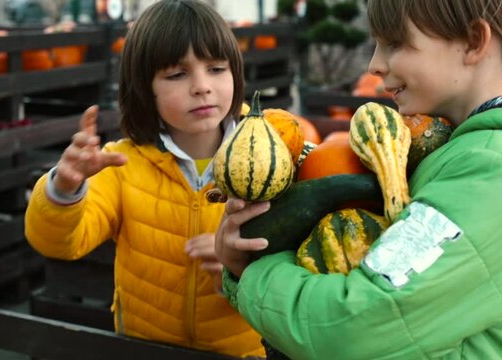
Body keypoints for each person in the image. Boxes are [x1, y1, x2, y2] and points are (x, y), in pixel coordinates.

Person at [215, 0, 502, 359]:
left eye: (395, 43)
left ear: (474, 42)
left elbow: (353, 326)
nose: (374, 65)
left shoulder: (487, 170)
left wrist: (252, 272)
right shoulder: (458, 152)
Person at [24, 0, 264, 357]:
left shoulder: (268, 157)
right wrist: (64, 187)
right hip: (142, 347)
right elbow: (59, 243)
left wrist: (240, 272)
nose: (201, 86)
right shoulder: (121, 163)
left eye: (216, 68)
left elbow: (301, 264)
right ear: (144, 88)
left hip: (245, 351)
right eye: (177, 74)